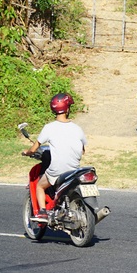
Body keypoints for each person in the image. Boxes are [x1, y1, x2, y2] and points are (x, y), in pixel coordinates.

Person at [22, 93, 87, 222]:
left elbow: (34, 148)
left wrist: (26, 152)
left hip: (57, 170)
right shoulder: (77, 128)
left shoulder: (49, 128)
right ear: (68, 109)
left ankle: (42, 212)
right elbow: (83, 150)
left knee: (40, 186)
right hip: (74, 170)